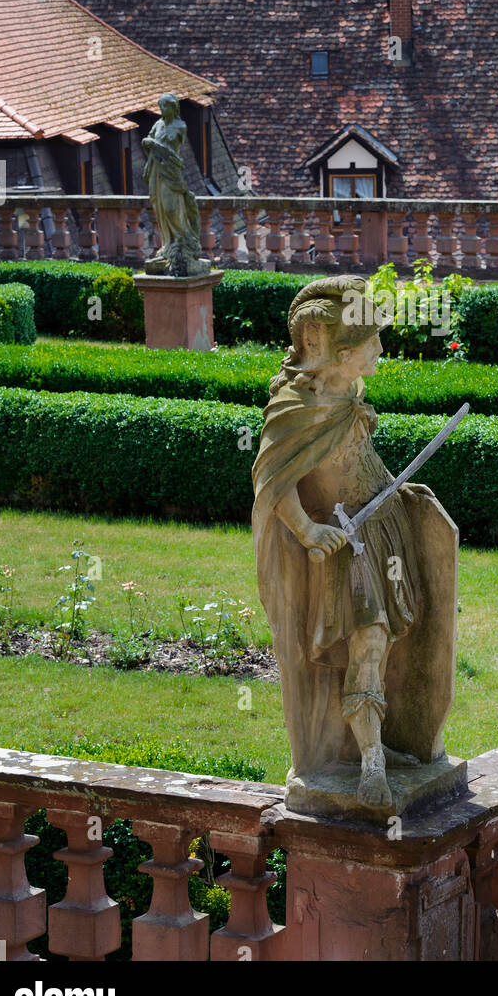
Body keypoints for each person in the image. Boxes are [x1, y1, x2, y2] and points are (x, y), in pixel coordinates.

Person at [252, 276, 453, 810]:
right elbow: (273, 481)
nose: (381, 350)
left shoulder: (351, 392)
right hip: (349, 543)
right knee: (368, 639)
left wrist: (400, 490)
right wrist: (307, 530)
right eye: (372, 343)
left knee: (385, 644)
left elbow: (361, 460)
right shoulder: (301, 406)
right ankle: (370, 765)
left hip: (385, 527)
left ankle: (377, 743)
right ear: (337, 351)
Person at [141, 93, 205, 275]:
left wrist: (151, 143)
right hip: (156, 171)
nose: (163, 111)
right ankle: (168, 245)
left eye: (166, 107)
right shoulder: (158, 124)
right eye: (160, 107)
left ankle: (184, 240)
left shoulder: (180, 126)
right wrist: (149, 147)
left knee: (171, 207)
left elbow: (168, 148)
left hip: (170, 171)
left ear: (174, 108)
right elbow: (150, 147)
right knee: (158, 205)